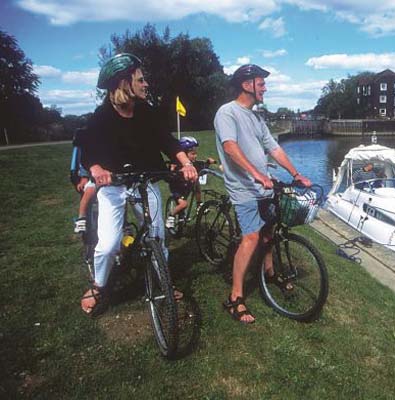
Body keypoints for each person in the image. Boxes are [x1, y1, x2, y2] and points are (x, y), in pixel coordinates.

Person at [80, 53, 198, 315]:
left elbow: (167, 141)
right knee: (109, 244)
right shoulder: (103, 115)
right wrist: (97, 169)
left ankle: (162, 280)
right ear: (124, 82)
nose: (146, 84)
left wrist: (185, 163)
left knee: (157, 234)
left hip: (144, 180)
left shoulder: (146, 111)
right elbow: (87, 148)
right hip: (114, 186)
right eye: (140, 80)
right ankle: (99, 285)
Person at [214, 64, 311, 324]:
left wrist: (295, 173)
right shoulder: (227, 112)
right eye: (261, 83)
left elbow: (274, 149)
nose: (265, 87)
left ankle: (269, 273)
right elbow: (230, 148)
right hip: (244, 187)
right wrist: (256, 174)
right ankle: (235, 298)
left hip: (263, 185)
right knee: (251, 237)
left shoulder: (257, 118)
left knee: (268, 231)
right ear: (247, 85)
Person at [165, 136, 215, 231]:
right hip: (178, 190)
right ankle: (170, 216)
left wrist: (208, 163)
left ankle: (199, 204)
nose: (195, 156)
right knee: (184, 204)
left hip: (187, 189)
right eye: (192, 154)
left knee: (196, 183)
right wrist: (172, 171)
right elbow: (169, 177)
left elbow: (202, 168)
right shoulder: (176, 165)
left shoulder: (194, 163)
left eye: (195, 153)